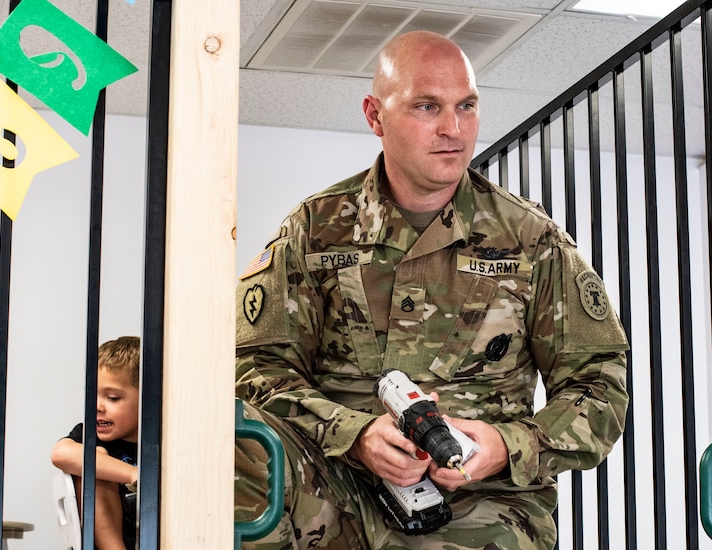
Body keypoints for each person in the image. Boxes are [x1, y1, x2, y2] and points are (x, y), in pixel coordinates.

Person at [234, 30, 629, 550]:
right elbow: (257, 369)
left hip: (479, 499)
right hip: (335, 486)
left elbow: (600, 384)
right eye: (427, 106)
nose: (454, 129)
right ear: (375, 115)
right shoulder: (317, 228)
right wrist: (355, 436)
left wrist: (507, 445)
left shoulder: (532, 240)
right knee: (224, 428)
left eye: (467, 106)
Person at [51, 336, 140, 550]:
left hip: (162, 537)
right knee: (93, 459)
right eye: (93, 396)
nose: (97, 407)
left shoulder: (167, 440)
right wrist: (133, 474)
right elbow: (61, 454)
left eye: (112, 398)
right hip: (113, 543)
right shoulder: (92, 435)